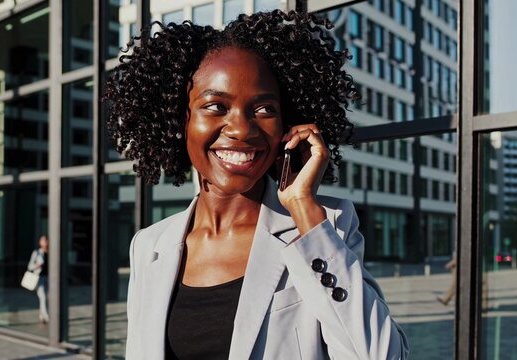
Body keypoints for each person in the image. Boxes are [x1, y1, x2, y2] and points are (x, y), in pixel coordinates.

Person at [103, 10, 410, 359]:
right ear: (179, 118)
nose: (243, 129)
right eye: (216, 106)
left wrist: (304, 210)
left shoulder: (324, 230)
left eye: (264, 109)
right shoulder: (149, 245)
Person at [28, 235, 49, 324]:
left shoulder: (51, 252)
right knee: (43, 297)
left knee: (46, 298)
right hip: (39, 278)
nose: (44, 242)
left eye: (46, 240)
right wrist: (37, 265)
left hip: (49, 278)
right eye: (42, 240)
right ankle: (47, 317)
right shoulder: (37, 252)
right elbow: (30, 266)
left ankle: (41, 316)